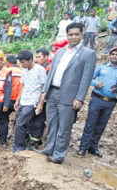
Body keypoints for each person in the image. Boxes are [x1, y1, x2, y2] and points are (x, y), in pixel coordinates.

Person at [36, 23, 96, 164]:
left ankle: (58, 154)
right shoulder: (60, 52)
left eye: (76, 34)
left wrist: (80, 98)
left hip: (69, 96)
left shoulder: (88, 54)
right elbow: (51, 72)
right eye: (71, 34)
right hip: (53, 93)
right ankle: (49, 149)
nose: (73, 37)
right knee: (52, 124)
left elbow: (86, 79)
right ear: (67, 35)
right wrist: (45, 91)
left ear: (82, 34)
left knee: (64, 127)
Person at [77, 47, 117, 158]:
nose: (115, 56)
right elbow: (89, 78)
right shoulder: (102, 67)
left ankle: (93, 147)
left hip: (110, 102)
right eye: (113, 54)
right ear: (110, 56)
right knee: (90, 124)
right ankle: (83, 147)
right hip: (97, 99)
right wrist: (96, 84)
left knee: (101, 125)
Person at [12, 50, 46, 152]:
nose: (22, 65)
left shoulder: (40, 70)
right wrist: (18, 100)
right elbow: (23, 86)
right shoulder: (24, 70)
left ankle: (18, 147)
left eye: (24, 62)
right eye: (21, 63)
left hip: (32, 102)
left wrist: (40, 103)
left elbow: (44, 87)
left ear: (30, 60)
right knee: (18, 123)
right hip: (24, 101)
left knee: (20, 124)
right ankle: (22, 145)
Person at [0, 55, 22, 147]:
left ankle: (2, 141)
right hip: (19, 100)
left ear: (7, 62)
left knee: (3, 119)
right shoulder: (22, 72)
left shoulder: (7, 71)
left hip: (7, 100)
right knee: (20, 121)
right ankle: (19, 142)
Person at [29, 48, 51, 149]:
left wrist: (41, 102)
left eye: (39, 57)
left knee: (38, 121)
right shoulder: (38, 68)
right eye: (36, 57)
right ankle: (33, 140)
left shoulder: (49, 69)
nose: (37, 59)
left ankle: (34, 143)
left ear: (46, 57)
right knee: (33, 120)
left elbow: (45, 87)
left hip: (43, 100)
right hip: (35, 98)